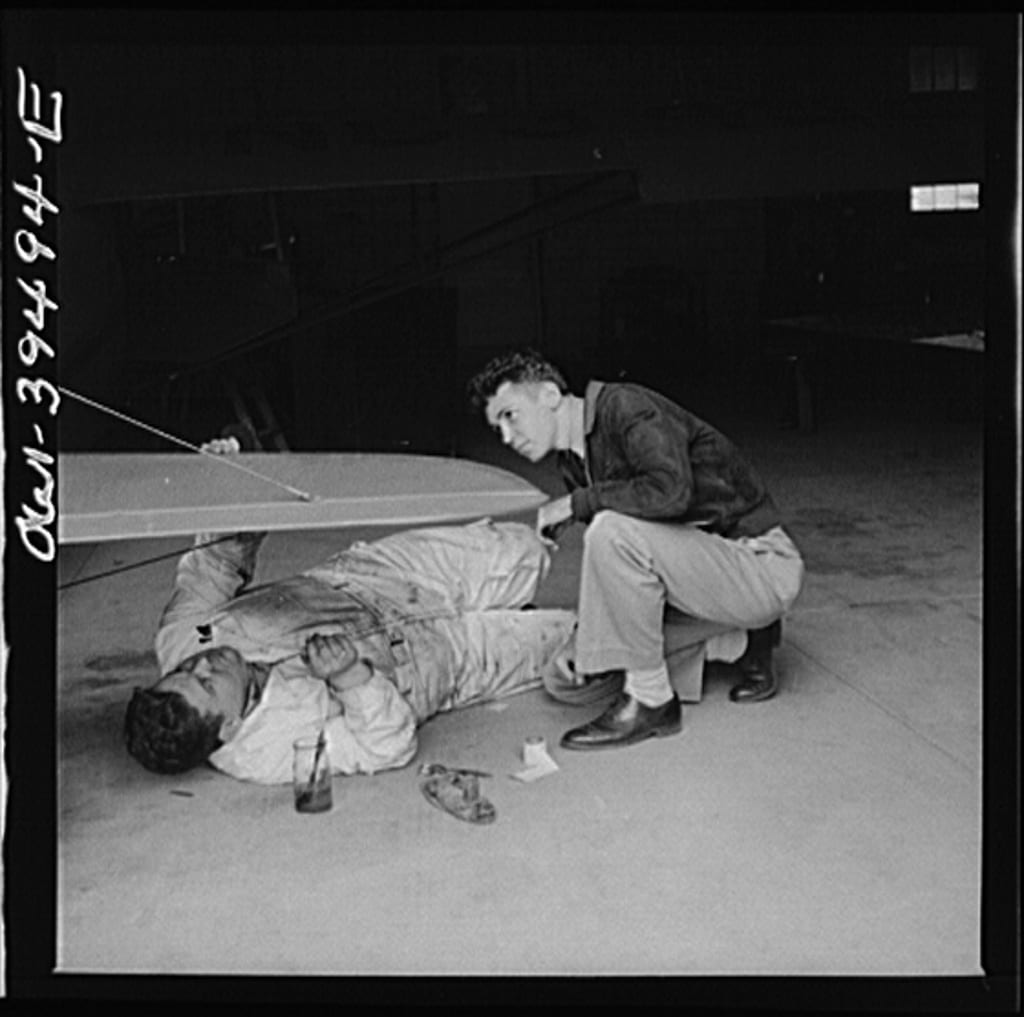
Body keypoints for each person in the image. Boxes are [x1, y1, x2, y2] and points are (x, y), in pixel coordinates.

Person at [124, 440, 576, 783]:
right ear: (230, 727)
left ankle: (515, 589)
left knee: (526, 551)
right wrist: (349, 678)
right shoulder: (270, 751)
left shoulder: (189, 636)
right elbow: (386, 747)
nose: (204, 661)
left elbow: (217, 564)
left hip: (374, 579)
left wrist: (226, 486)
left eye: (185, 668)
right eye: (207, 682)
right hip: (441, 661)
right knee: (572, 638)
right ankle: (518, 617)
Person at [467, 348, 804, 752]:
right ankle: (745, 641)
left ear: (550, 396)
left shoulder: (625, 406)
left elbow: (670, 492)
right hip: (697, 579)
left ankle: (652, 701)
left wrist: (576, 504)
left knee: (611, 530)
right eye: (496, 427)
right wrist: (582, 638)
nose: (506, 436)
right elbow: (619, 577)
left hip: (757, 564)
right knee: (566, 677)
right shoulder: (574, 462)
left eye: (510, 415)